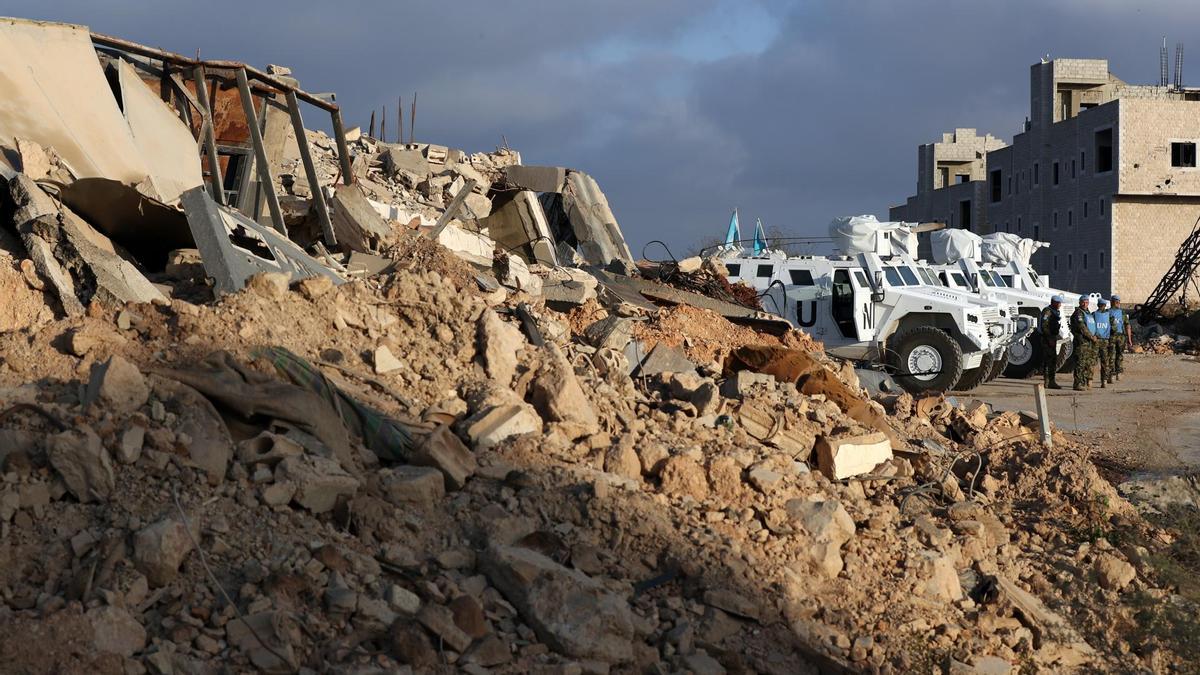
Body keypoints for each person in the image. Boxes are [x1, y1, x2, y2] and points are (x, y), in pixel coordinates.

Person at [1069, 295, 1098, 390]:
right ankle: (1077, 384)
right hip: (1081, 341)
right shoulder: (1078, 313)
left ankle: (1084, 382)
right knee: (1080, 363)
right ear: (1080, 302)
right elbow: (1082, 328)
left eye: (1087, 302)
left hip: (1088, 342)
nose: (1085, 304)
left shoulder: (1088, 313)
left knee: (1087, 363)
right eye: (1083, 302)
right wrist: (1091, 337)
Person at [1040, 294, 1064, 388]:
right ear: (1053, 302)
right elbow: (1044, 326)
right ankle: (1048, 381)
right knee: (1048, 360)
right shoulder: (1047, 311)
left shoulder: (1055, 311)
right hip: (1047, 339)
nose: (1060, 305)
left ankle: (1051, 381)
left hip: (1052, 337)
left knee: (1053, 360)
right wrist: (1049, 338)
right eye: (1058, 303)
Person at [1109, 294, 1130, 380]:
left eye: (1118, 302)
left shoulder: (1122, 313)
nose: (1117, 303)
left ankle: (1119, 372)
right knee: (1111, 355)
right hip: (1111, 336)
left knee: (1120, 355)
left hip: (1121, 336)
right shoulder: (1107, 312)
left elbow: (1127, 325)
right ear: (1112, 302)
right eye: (1115, 302)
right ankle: (1112, 373)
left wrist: (1129, 339)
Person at [1094, 298, 1112, 387]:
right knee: (1105, 362)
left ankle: (1089, 380)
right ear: (1104, 306)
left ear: (1098, 305)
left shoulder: (1093, 314)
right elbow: (1114, 328)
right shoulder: (1108, 315)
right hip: (1105, 340)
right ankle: (1104, 381)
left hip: (1096, 340)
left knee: (1092, 361)